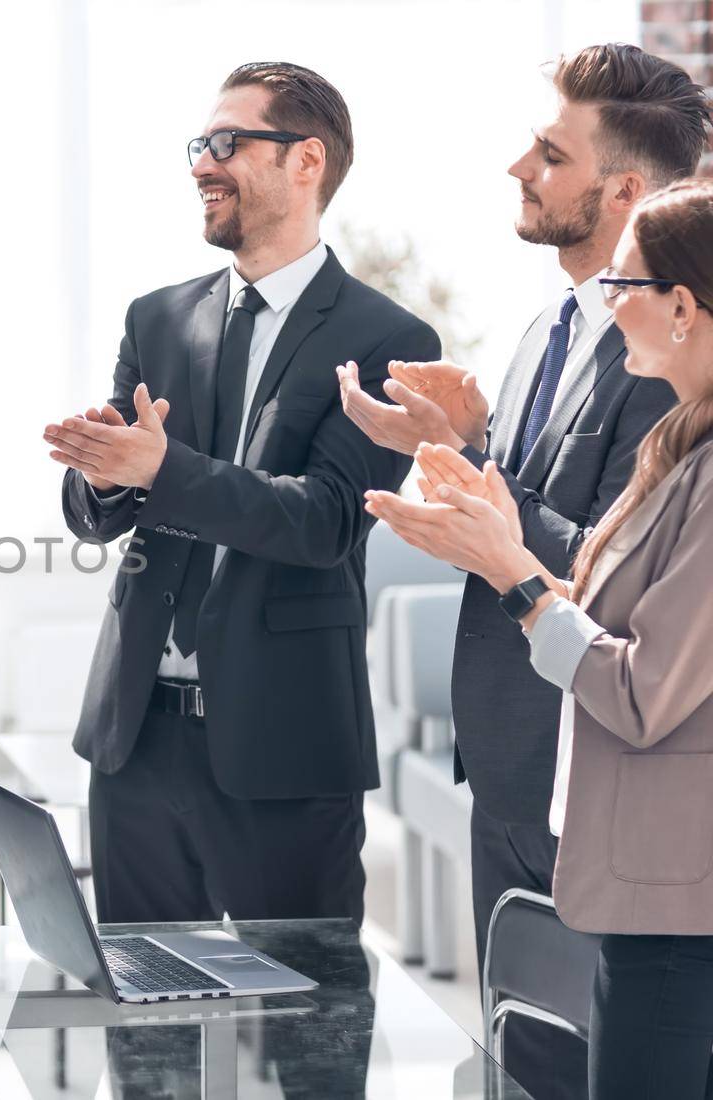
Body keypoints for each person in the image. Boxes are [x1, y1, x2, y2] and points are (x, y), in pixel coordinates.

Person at [338, 44, 705, 1097]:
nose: (517, 168)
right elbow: (541, 502)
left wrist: (482, 500)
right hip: (507, 756)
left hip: (595, 767)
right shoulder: (549, 321)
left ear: (624, 191)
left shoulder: (668, 357)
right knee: (523, 1051)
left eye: (549, 153)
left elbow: (615, 555)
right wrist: (466, 442)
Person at [43, 62, 439, 930]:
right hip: (134, 739)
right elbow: (104, 508)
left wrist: (160, 470)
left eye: (228, 143)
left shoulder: (389, 339)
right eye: (200, 144)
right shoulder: (156, 317)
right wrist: (100, 475)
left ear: (307, 162)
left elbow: (326, 520)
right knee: (147, 1028)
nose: (201, 165)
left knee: (312, 1033)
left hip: (286, 745)